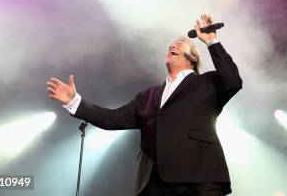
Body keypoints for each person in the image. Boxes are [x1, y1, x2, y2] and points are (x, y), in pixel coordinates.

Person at [47, 14, 242, 196]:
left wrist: (211, 41)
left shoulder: (206, 83)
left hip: (199, 180)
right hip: (156, 183)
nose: (172, 45)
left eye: (180, 45)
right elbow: (111, 119)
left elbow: (233, 81)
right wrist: (74, 101)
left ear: (193, 58)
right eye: (170, 45)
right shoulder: (148, 95)